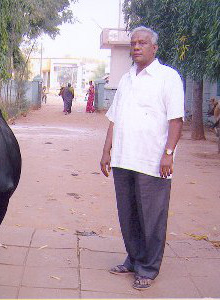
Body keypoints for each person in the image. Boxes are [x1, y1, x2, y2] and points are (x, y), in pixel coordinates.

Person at [100, 26, 184, 290]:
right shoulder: (126, 79)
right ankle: (134, 259)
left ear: (154, 47)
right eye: (133, 43)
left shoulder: (167, 77)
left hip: (152, 161)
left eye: (142, 43)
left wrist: (168, 153)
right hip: (124, 159)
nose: (136, 47)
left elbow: (176, 120)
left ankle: (148, 268)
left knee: (152, 217)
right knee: (129, 214)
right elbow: (114, 117)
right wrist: (106, 150)